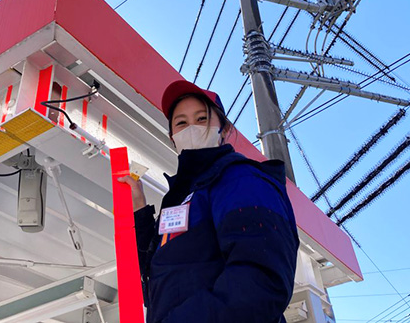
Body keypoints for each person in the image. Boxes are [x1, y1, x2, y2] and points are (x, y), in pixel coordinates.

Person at [118, 80, 298, 323]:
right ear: (172, 137)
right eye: (181, 123)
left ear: (224, 129)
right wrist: (140, 210)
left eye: (202, 119)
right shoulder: (182, 198)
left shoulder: (241, 178)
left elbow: (260, 281)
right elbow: (155, 277)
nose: (191, 128)